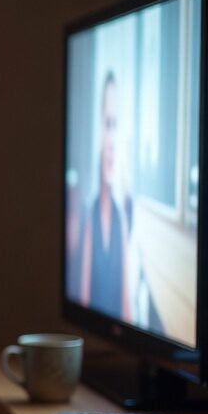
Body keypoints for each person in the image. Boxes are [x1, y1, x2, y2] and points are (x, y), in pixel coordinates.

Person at [79, 71, 129, 322]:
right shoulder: (88, 215)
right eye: (106, 124)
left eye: (116, 125)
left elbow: (127, 308)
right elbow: (84, 299)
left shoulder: (122, 218)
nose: (111, 141)